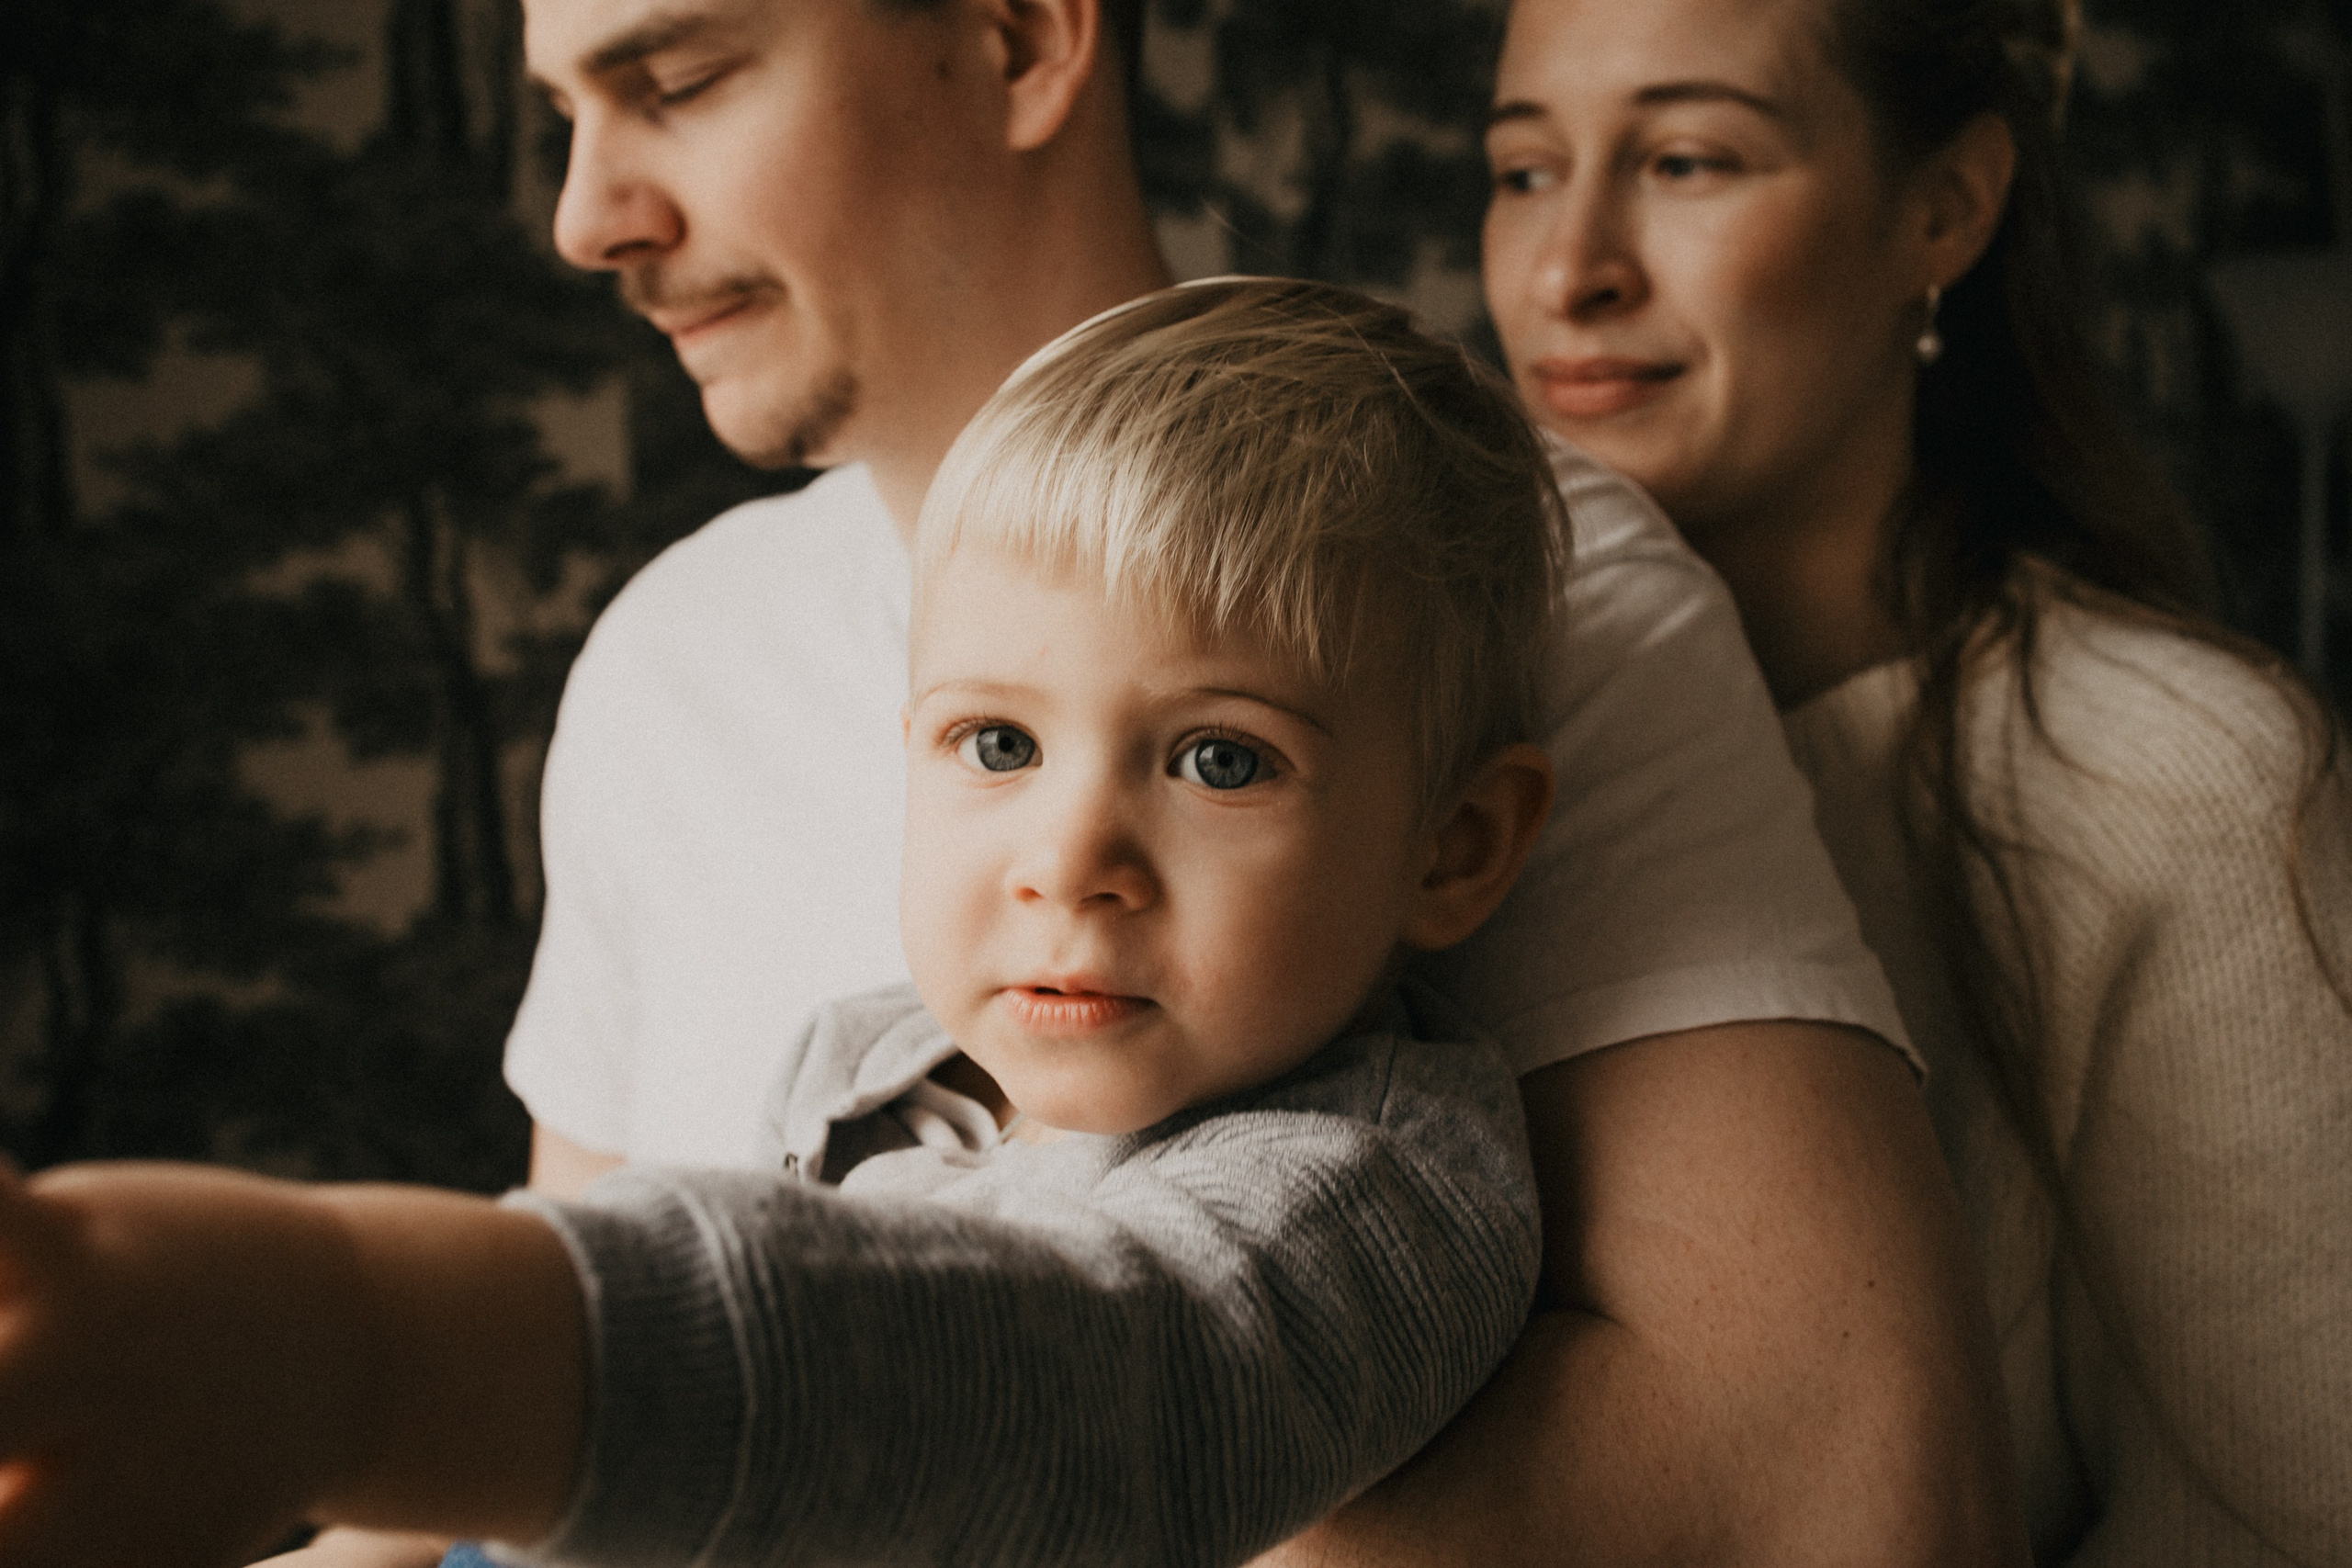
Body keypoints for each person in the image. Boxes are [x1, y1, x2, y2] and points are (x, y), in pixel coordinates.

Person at [305, 0, 2017, 1560]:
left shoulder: (1484, 589)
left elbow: (1856, 1490)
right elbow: (534, 1384)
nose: (584, 218)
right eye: (989, 745)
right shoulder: (673, 664)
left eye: (678, 82)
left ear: (1018, 38)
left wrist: (354, 1346)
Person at [0, 276, 1577, 1568]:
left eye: (1221, 760)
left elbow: (1078, 1398)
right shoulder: (869, 1059)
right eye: (998, 744)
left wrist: (366, 1351)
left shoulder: (1372, 1185)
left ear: (1453, 846)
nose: (1068, 858)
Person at [1477, 0, 2352, 1562]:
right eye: (1524, 171)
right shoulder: (1439, 750)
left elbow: (2280, 1521)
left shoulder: (2183, 785)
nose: (1568, 271)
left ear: (1946, 207)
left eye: (1686, 161)